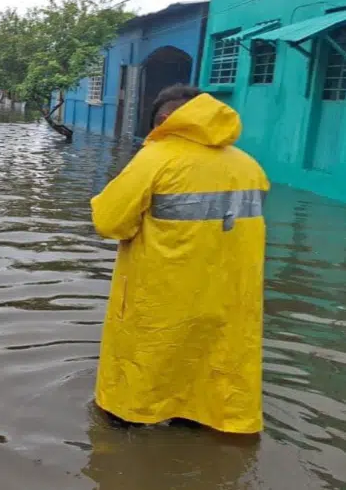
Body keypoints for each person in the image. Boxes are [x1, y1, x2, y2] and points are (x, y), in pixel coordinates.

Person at [90, 85, 268, 434]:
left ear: (166, 118)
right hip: (230, 298)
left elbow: (109, 223)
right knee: (212, 376)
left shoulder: (157, 159)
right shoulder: (249, 166)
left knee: (140, 384)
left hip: (162, 297)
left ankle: (130, 429)